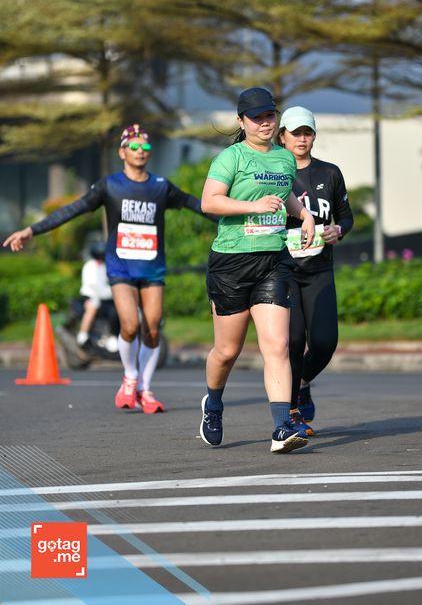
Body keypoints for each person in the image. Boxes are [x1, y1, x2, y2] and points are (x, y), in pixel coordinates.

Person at [3, 123, 215, 414]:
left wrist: (239, 217)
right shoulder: (110, 185)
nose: (140, 151)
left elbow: (197, 205)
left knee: (153, 328)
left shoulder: (160, 186)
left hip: (152, 268)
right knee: (129, 325)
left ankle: (145, 389)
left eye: (145, 146)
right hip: (121, 267)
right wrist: (32, 230)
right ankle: (130, 377)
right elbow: (72, 209)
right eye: (134, 146)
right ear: (122, 152)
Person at [199, 87, 316, 454]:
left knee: (277, 346)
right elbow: (209, 202)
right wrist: (252, 207)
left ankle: (281, 427)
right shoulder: (230, 158)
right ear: (241, 121)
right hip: (231, 264)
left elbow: (285, 196)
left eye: (270, 115)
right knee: (226, 351)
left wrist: (304, 214)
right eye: (257, 117)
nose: (266, 123)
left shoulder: (284, 159)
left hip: (273, 261)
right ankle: (213, 403)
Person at [277, 106, 354, 431]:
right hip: (283, 270)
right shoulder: (273, 173)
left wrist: (339, 229)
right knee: (293, 341)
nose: (302, 139)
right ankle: (292, 409)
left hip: (319, 269)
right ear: (282, 136)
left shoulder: (330, 173)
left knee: (324, 342)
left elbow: (345, 216)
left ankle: (303, 381)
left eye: (307, 132)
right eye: (295, 133)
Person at [77, 239, 118, 354]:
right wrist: (112, 293)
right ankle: (83, 335)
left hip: (104, 297)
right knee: (93, 307)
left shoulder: (104, 267)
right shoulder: (90, 266)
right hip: (90, 296)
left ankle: (111, 335)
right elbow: (95, 286)